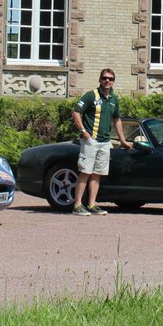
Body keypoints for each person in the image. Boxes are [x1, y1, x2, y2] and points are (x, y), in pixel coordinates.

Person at [70, 68, 131, 215]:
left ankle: (91, 204)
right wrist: (83, 132)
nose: (107, 81)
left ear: (113, 81)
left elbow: (116, 120)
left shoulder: (113, 99)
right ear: (100, 79)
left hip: (105, 142)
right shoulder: (92, 95)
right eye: (104, 78)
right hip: (91, 140)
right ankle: (77, 205)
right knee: (85, 172)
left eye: (110, 78)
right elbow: (76, 112)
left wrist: (122, 140)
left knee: (97, 173)